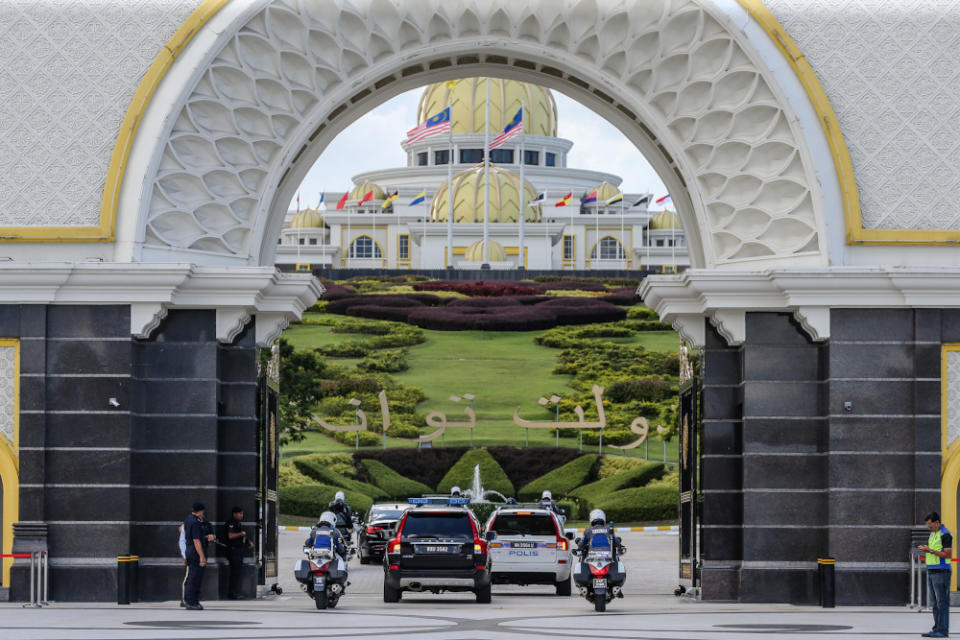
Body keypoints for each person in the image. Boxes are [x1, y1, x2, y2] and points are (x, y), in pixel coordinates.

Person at [919, 512, 953, 638]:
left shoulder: (945, 535)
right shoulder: (934, 533)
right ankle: (937, 628)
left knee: (941, 602)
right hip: (932, 570)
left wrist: (930, 550)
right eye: (928, 526)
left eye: (930, 525)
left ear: (937, 523)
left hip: (941, 572)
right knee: (934, 603)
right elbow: (934, 551)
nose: (929, 528)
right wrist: (926, 549)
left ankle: (943, 630)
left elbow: (947, 554)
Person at [183, 502, 215, 610]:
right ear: (200, 511)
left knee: (194, 577)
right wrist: (202, 556)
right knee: (194, 578)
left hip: (190, 550)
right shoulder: (195, 522)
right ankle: (191, 602)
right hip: (196, 551)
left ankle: (193, 600)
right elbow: (196, 540)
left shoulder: (188, 519)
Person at [224, 506, 253, 600]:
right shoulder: (231, 523)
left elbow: (241, 536)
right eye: (240, 513)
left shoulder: (238, 523)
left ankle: (236, 592)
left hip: (238, 551)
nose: (242, 515)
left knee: (238, 573)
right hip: (233, 551)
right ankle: (233, 593)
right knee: (235, 573)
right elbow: (230, 535)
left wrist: (248, 542)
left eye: (242, 513)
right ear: (235, 514)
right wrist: (241, 534)